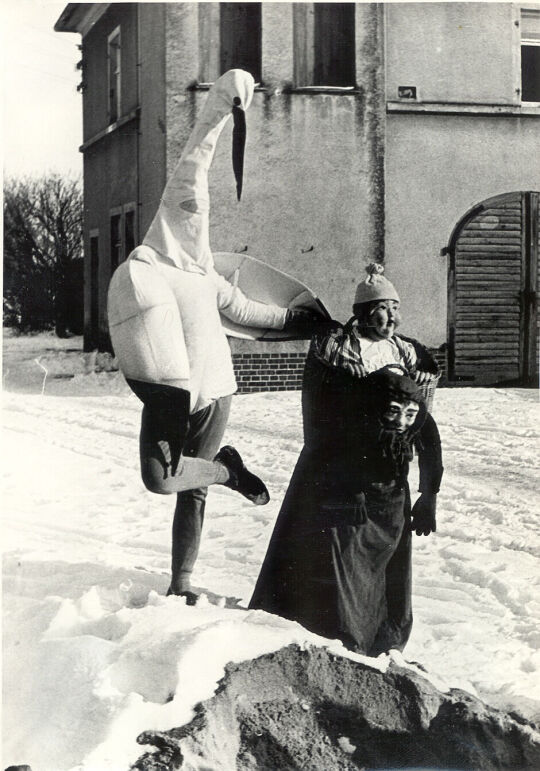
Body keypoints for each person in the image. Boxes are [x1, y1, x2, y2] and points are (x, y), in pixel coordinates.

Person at [108, 70, 322, 604]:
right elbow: (194, 164)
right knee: (161, 479)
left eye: (199, 220)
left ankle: (182, 582)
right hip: (171, 387)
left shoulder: (208, 275)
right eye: (185, 216)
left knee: (191, 491)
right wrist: (220, 107)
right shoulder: (148, 267)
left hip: (216, 392)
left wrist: (301, 321)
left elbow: (251, 310)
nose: (193, 223)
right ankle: (230, 469)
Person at [249, 264, 443, 654]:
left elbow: (423, 424)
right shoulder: (337, 347)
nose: (392, 317)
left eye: (395, 308)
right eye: (382, 309)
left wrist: (428, 493)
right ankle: (331, 632)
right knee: (334, 554)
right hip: (336, 468)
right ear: (362, 310)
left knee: (380, 559)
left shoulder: (406, 351)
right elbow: (326, 408)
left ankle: (378, 636)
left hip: (385, 475)